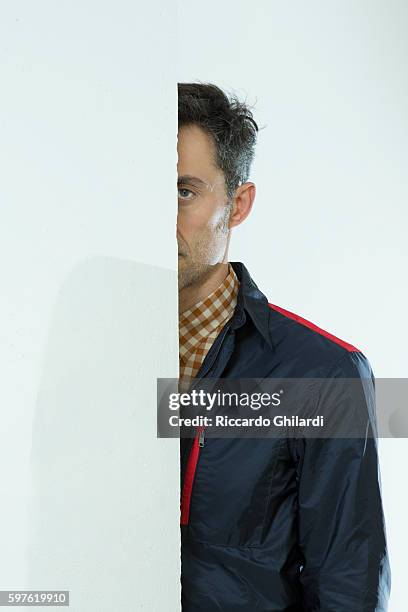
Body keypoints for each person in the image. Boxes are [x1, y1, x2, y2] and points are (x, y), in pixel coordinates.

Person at [177, 82, 391, 611]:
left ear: (239, 203)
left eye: (185, 192)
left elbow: (349, 583)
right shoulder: (86, 352)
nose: (158, 216)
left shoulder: (322, 375)